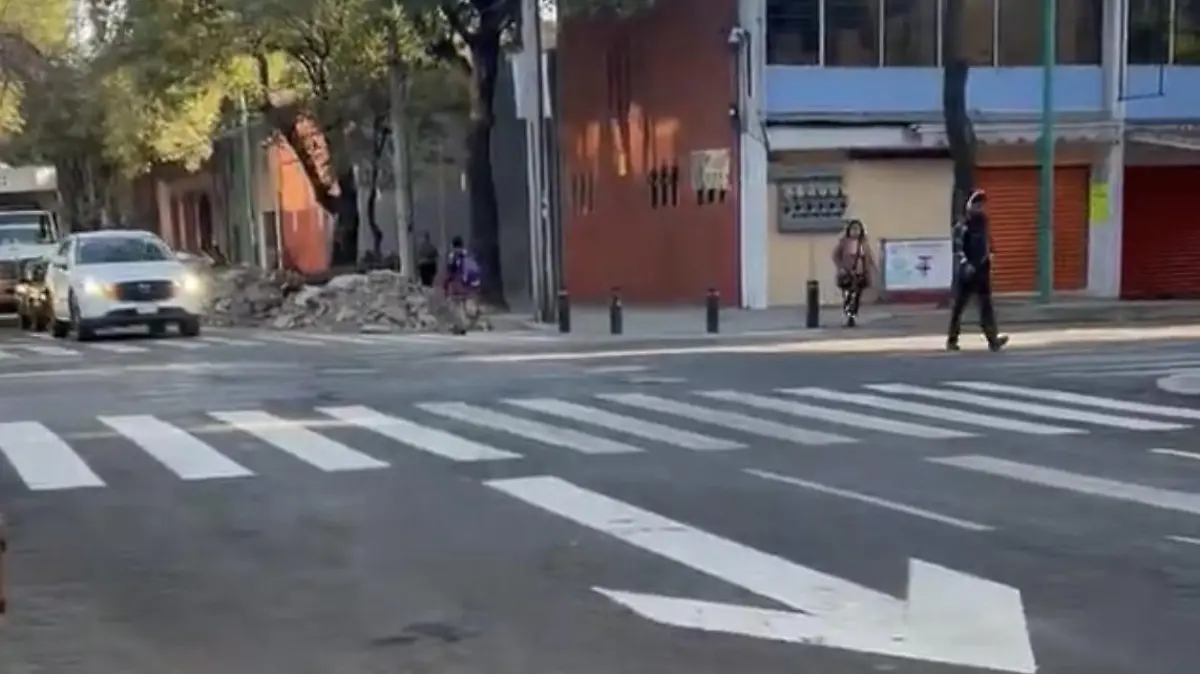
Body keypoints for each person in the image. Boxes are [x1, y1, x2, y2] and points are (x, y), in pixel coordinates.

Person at [947, 189, 1008, 352]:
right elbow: (958, 248)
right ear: (970, 205)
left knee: (986, 306)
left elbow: (987, 240)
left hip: (982, 270)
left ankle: (993, 339)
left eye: (982, 205)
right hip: (967, 273)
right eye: (977, 204)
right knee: (959, 307)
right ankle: (952, 340)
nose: (980, 208)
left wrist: (992, 253)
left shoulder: (983, 222)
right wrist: (966, 264)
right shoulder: (963, 225)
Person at [832, 219, 875, 327]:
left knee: (856, 296)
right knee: (848, 295)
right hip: (847, 273)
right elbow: (836, 256)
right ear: (849, 230)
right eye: (853, 229)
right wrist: (841, 267)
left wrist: (870, 269)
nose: (855, 232)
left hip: (860, 273)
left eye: (857, 229)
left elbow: (868, 257)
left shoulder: (863, 243)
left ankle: (852, 317)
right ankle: (848, 313)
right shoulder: (844, 242)